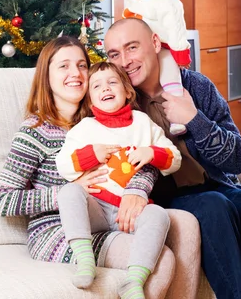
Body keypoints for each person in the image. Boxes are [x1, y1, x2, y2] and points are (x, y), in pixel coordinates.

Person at [104, 17, 241, 299]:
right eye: (114, 54)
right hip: (167, 203)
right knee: (213, 204)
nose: (125, 60)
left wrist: (195, 119)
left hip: (221, 190)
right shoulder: (115, 99)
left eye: (132, 47)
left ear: (155, 43)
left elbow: (238, 160)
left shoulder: (195, 86)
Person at [0, 36, 175, 299]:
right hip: (58, 231)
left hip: (112, 213)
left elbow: (141, 157)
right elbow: (2, 201)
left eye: (81, 65)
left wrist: (137, 189)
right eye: (63, 66)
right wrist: (68, 189)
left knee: (186, 226)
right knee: (163, 260)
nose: (75, 73)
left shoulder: (102, 118)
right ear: (46, 76)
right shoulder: (35, 131)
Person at [56, 61, 181, 297]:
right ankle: (85, 261)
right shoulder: (85, 128)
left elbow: (174, 158)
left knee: (159, 215)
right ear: (90, 100)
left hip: (132, 213)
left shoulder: (143, 123)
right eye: (97, 86)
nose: (106, 89)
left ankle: (133, 281)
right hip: (97, 208)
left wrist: (151, 152)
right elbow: (63, 165)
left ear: (127, 91)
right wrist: (92, 154)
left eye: (113, 82)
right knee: (69, 192)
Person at [123, 0, 190, 135]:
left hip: (165, 47)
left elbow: (176, 30)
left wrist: (181, 55)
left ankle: (177, 117)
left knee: (169, 74)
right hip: (141, 49)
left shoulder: (168, 3)